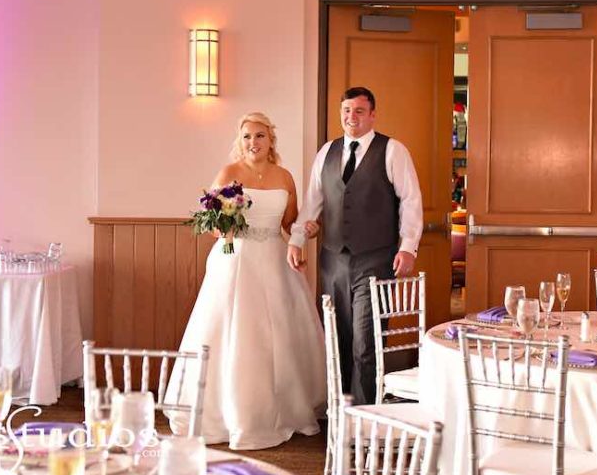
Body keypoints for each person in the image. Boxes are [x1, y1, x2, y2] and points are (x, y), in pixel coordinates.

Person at [169, 112, 326, 449]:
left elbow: (289, 224)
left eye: (259, 136)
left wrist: (308, 229)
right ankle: (231, 413)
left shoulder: (284, 177)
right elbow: (213, 225)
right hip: (236, 261)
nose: (253, 143)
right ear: (239, 142)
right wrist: (223, 225)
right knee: (235, 332)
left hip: (274, 260)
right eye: (246, 137)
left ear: (271, 141)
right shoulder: (229, 173)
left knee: (278, 334)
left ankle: (282, 409)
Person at [287, 87, 422, 405]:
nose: (352, 117)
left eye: (360, 111)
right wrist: (296, 239)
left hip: (376, 259)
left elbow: (411, 200)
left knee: (367, 339)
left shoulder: (392, 151)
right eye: (347, 110)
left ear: (373, 115)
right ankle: (341, 412)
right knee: (338, 338)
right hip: (333, 260)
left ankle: (366, 418)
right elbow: (312, 203)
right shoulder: (327, 152)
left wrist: (408, 246)